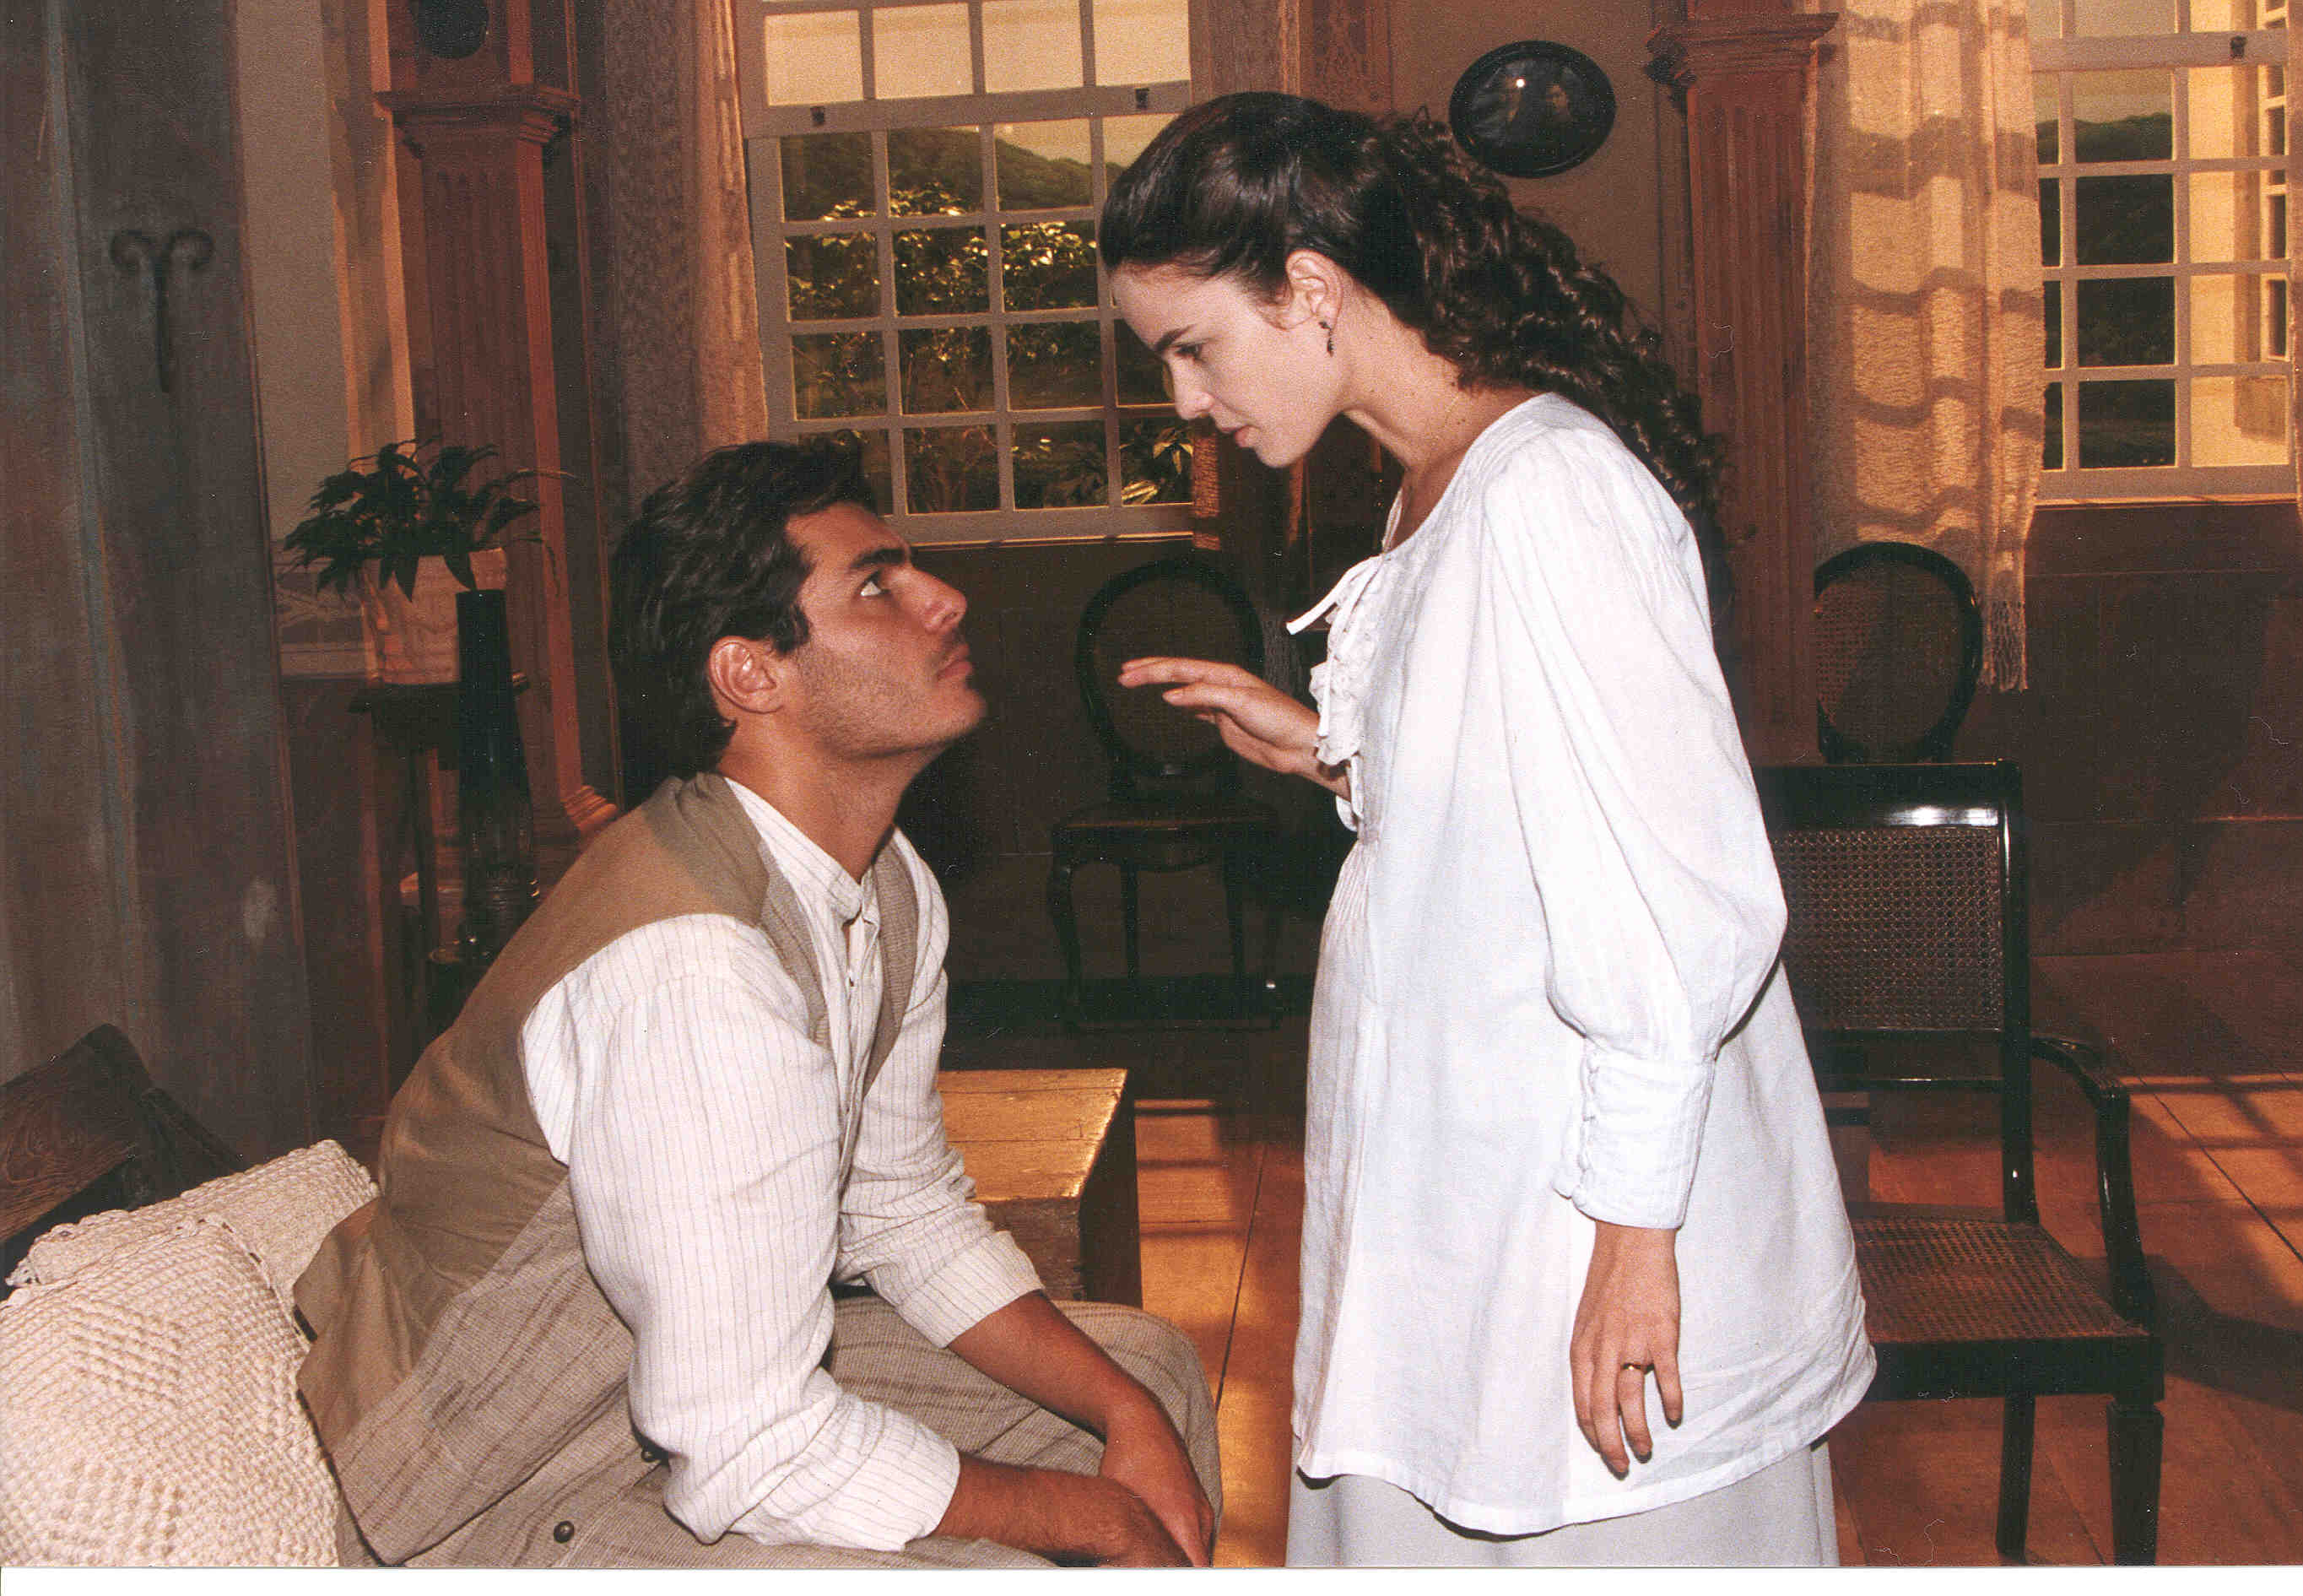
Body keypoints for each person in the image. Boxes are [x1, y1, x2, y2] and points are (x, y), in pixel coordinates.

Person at [1100, 93, 1873, 1567]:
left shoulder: (1549, 492)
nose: (1187, 402)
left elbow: (1676, 901)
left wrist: (1634, 1241)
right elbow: (1516, 810)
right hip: (1471, 1178)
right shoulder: (1432, 487)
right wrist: (1333, 755)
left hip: (1575, 1202)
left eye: (1192, 347)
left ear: (1310, 288)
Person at [295, 440, 1219, 1569]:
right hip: (499, 1494)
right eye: (875, 585)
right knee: (1010, 1560)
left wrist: (1123, 1412)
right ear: (749, 675)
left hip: (663, 1403)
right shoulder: (694, 970)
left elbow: (898, 1209)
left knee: (1153, 1379)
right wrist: (1093, 1517)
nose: (942, 598)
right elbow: (747, 1441)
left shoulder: (884, 882)